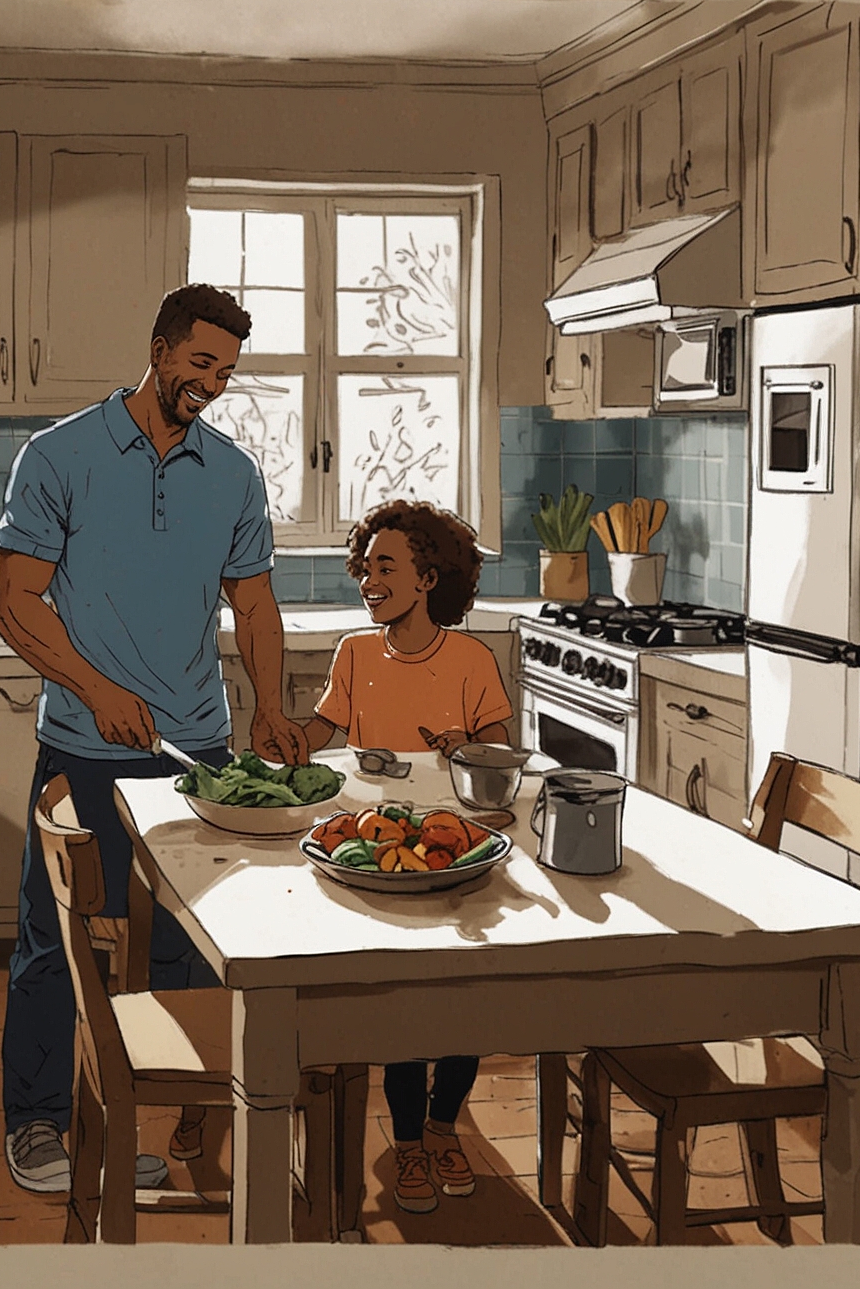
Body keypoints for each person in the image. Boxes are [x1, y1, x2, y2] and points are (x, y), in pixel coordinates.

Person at [0, 283, 310, 1194]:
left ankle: (190, 1119)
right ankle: (40, 1126)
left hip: (198, 753)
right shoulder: (60, 455)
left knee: (190, 942)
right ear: (161, 347)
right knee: (56, 942)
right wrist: (96, 690)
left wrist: (268, 705)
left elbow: (253, 600)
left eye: (227, 371)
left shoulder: (234, 474)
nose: (211, 383)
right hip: (85, 750)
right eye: (200, 363)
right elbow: (15, 603)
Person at [300, 498, 513, 1214]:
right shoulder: (355, 654)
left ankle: (442, 1125)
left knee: (464, 1002)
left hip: (455, 856)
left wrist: (465, 751)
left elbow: (499, 760)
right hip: (372, 858)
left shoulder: (471, 659)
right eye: (365, 567)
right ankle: (408, 1142)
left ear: (428, 578)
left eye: (384, 567)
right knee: (399, 1008)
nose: (368, 580)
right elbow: (321, 730)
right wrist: (282, 743)